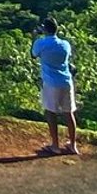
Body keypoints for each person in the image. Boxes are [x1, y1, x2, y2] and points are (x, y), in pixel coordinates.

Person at [31, 16, 80, 157]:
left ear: (44, 29)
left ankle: (55, 145)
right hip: (66, 81)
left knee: (51, 112)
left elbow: (33, 54)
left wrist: (34, 36)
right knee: (68, 113)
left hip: (51, 82)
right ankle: (73, 145)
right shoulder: (65, 44)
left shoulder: (41, 43)